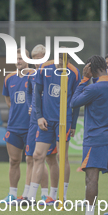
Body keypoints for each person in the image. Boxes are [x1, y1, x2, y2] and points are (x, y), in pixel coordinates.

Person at [68, 55, 108, 215]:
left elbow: (74, 102)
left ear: (90, 68)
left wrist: (84, 79)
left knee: (91, 179)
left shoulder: (94, 88)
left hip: (94, 138)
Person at [30, 46, 81, 205]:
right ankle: (31, 196)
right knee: (37, 155)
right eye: (58, 58)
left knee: (61, 157)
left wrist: (72, 123)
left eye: (63, 59)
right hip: (46, 120)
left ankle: (61, 196)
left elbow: (77, 101)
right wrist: (39, 116)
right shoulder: (44, 68)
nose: (60, 62)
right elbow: (37, 94)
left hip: (63, 121)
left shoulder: (74, 72)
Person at [11, 45, 56, 205]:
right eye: (35, 59)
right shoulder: (32, 75)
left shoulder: (52, 74)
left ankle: (50, 194)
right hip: (34, 122)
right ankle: (28, 195)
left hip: (50, 120)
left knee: (50, 158)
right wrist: (32, 106)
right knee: (32, 157)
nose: (37, 62)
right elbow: (30, 93)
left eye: (40, 58)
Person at [1, 49, 31, 202]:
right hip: (14, 126)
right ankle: (12, 194)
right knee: (14, 161)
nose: (19, 61)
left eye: (22, 58)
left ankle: (28, 195)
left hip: (31, 126)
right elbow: (8, 100)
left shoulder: (34, 75)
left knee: (32, 160)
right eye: (17, 58)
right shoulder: (9, 78)